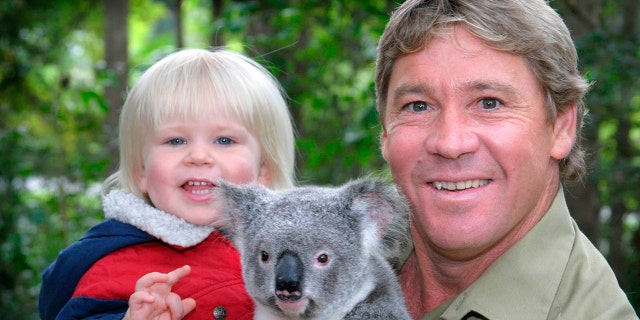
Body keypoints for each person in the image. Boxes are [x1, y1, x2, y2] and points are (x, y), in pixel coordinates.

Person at [375, 0, 638, 319]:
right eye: (418, 106)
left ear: (561, 127)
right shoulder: (328, 268)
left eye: (489, 103)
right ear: (385, 133)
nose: (450, 143)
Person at [38, 48, 296, 319]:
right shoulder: (114, 264)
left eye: (224, 140)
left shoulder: (296, 254)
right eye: (175, 141)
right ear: (141, 171)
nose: (198, 156)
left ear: (264, 170)